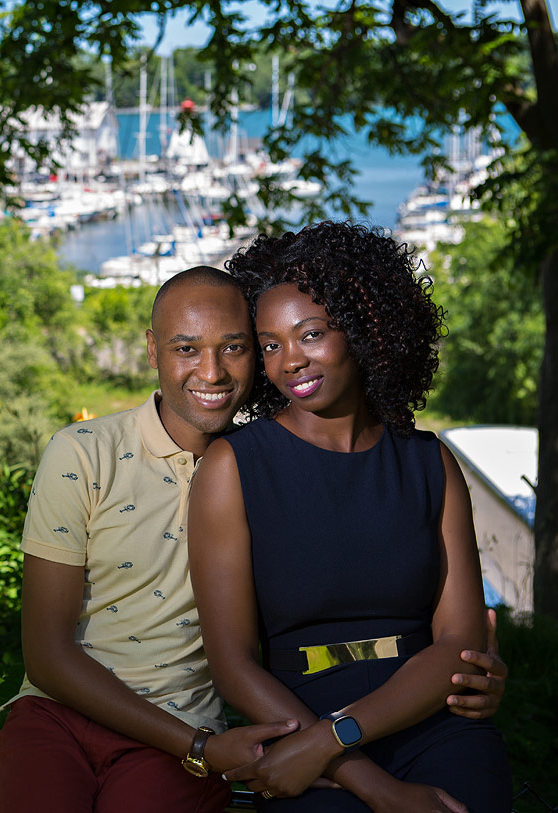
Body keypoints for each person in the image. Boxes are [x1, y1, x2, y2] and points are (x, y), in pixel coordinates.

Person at [0, 264, 506, 813]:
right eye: (186, 349)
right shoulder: (95, 453)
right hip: (95, 720)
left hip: (195, 728)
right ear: (152, 350)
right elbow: (47, 652)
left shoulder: (269, 466)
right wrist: (208, 749)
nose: (211, 372)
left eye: (235, 347)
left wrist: (471, 668)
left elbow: (434, 623)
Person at [188, 222, 513, 812]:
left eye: (310, 335)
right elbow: (232, 664)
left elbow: (461, 641)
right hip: (297, 729)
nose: (290, 361)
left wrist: (339, 734)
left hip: (430, 722)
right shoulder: (233, 467)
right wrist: (364, 778)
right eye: (269, 345)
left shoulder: (428, 462)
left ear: (364, 330)